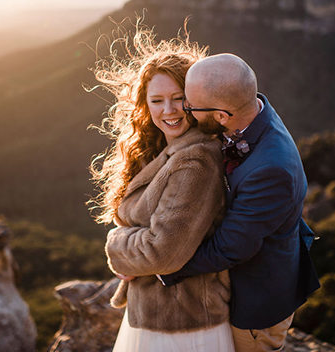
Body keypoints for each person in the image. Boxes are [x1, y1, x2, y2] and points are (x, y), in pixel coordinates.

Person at [159, 53, 321, 352]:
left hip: (257, 306)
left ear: (222, 116)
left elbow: (231, 247)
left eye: (190, 106)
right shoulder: (252, 110)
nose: (186, 111)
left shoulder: (271, 170)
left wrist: (162, 265)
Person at [87, 28, 235, 352]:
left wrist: (117, 246)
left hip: (184, 327)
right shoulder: (163, 150)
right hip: (155, 317)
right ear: (145, 104)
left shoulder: (196, 159)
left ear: (196, 99)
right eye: (157, 100)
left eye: (179, 98)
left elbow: (162, 252)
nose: (168, 110)